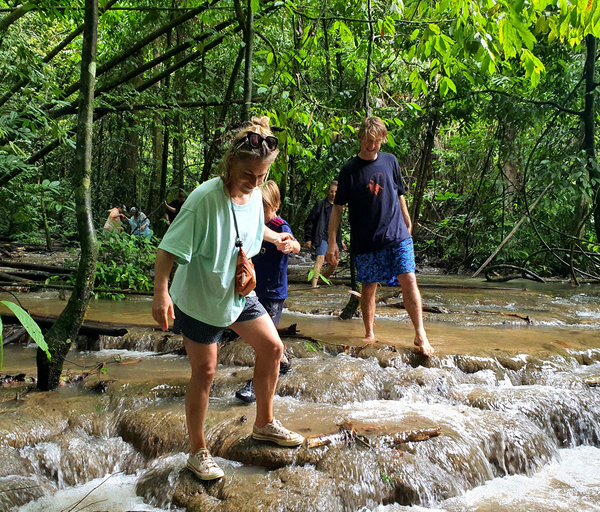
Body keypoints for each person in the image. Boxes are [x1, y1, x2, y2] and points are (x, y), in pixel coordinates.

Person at [152, 116, 305, 482]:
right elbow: (168, 249)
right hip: (201, 298)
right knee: (205, 372)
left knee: (272, 348)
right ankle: (198, 451)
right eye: (248, 174)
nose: (255, 183)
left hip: (236, 293)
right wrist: (160, 293)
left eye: (262, 177)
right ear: (231, 162)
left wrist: (270, 243)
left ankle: (264, 423)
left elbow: (250, 228)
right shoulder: (203, 199)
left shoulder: (253, 194)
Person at [326, 116, 433, 355]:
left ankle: (420, 333)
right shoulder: (349, 170)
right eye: (367, 141)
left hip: (397, 234)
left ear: (382, 140)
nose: (372, 146)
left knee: (409, 279)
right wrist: (332, 242)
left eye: (376, 141)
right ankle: (369, 334)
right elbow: (338, 209)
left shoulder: (390, 161)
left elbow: (399, 192)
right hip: (365, 239)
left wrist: (407, 219)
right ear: (360, 139)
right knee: (369, 287)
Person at [235, 180, 298, 403]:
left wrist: (290, 245)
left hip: (273, 292)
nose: (260, 214)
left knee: (264, 340)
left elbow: (296, 245)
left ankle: (255, 385)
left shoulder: (280, 226)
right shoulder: (251, 225)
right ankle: (283, 360)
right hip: (254, 290)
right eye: (256, 209)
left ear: (276, 206)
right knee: (265, 337)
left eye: (265, 209)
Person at [304, 181, 345, 288]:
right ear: (328, 191)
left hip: (334, 237)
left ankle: (321, 281)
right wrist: (308, 238)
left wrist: (340, 241)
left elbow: (338, 225)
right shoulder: (320, 204)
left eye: (335, 192)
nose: (333, 194)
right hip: (321, 234)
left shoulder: (338, 206)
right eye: (331, 191)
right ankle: (313, 286)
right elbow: (310, 221)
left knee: (334, 262)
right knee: (321, 259)